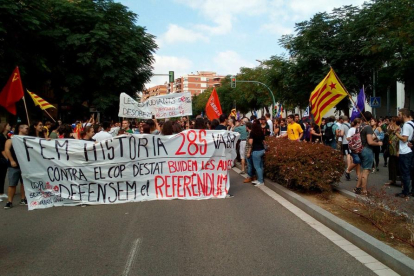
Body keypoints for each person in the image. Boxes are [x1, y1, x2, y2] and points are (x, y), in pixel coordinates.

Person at [353, 112, 383, 195]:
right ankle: (364, 191)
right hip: (367, 150)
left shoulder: (359, 127)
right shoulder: (368, 128)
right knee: (366, 171)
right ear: (370, 118)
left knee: (363, 170)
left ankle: (357, 188)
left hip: (359, 149)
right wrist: (378, 143)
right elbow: (370, 142)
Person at [4, 123, 30, 209]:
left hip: (24, 165)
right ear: (20, 129)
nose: (27, 130)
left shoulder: (27, 139)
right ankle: (9, 201)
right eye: (26, 128)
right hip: (14, 165)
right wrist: (11, 160)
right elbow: (7, 150)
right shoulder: (11, 139)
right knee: (12, 184)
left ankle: (23, 199)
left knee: (24, 183)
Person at [394, 108, 414, 198]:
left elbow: (404, 139)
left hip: (405, 151)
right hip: (411, 150)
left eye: (399, 115)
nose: (398, 117)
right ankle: (412, 191)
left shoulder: (406, 125)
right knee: (411, 172)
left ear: (404, 115)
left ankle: (405, 192)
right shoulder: (412, 123)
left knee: (405, 172)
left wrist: (396, 134)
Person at [247, 120, 266, 186]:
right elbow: (264, 141)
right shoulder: (261, 131)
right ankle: (260, 179)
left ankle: (260, 181)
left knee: (257, 167)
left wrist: (250, 138)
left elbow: (250, 143)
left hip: (256, 151)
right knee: (261, 166)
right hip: (262, 150)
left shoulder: (252, 132)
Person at [385, 117, 400, 186]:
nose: (390, 123)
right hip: (391, 150)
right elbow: (386, 134)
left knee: (398, 166)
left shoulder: (399, 130)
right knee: (391, 165)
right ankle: (392, 180)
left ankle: (401, 181)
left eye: (391, 122)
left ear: (394, 122)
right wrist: (389, 130)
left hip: (396, 150)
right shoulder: (391, 129)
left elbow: (400, 141)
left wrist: (398, 150)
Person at [0, 122, 11, 201]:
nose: (9, 126)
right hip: (1, 158)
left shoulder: (6, 136)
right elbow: (2, 150)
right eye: (8, 125)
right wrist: (7, 158)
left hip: (4, 159)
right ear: (4, 127)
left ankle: (1, 192)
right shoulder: (0, 137)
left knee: (2, 176)